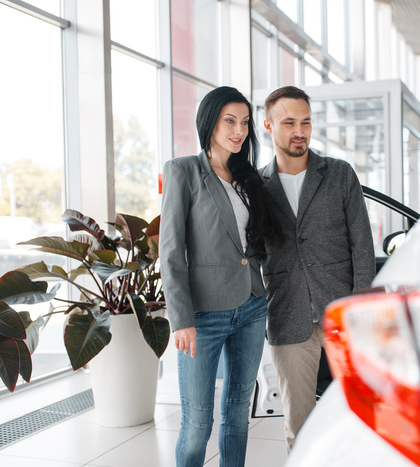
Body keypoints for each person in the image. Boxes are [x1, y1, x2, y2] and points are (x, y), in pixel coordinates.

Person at [160, 86, 282, 467]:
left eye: (245, 122)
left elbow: (254, 245)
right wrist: (180, 319)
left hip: (250, 306)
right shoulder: (183, 171)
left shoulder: (248, 177)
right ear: (209, 122)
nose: (239, 130)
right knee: (197, 424)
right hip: (203, 315)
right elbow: (171, 251)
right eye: (230, 121)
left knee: (238, 415)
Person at [259, 85, 376, 451]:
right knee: (299, 423)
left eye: (306, 122)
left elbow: (363, 245)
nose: (300, 131)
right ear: (268, 126)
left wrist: (361, 311)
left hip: (341, 312)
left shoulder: (340, 174)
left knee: (362, 413)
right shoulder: (256, 186)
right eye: (290, 122)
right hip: (287, 314)